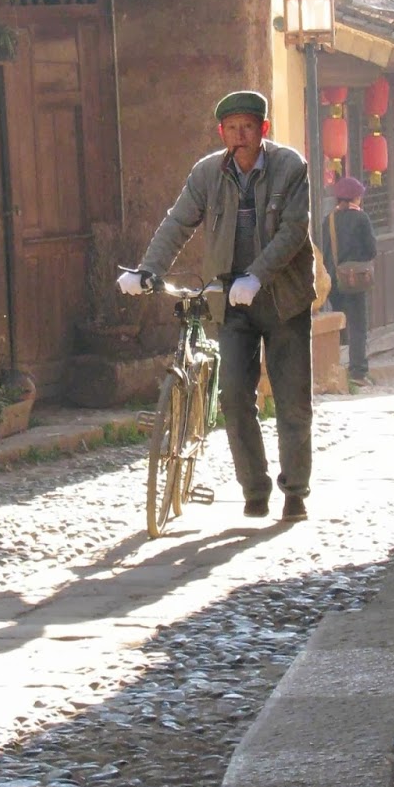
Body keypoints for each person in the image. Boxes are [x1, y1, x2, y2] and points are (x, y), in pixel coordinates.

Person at [117, 90, 315, 522]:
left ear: (263, 130)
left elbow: (294, 231)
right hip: (231, 301)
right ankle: (255, 488)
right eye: (232, 129)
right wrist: (148, 270)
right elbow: (178, 222)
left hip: (284, 299)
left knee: (292, 400)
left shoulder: (290, 167)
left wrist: (257, 275)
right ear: (221, 133)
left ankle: (295, 491)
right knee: (233, 396)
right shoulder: (207, 173)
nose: (240, 136)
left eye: (248, 128)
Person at [321, 174, 377, 388]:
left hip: (334, 280)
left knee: (339, 325)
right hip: (355, 280)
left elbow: (326, 251)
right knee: (358, 326)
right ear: (355, 198)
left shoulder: (329, 220)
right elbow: (371, 250)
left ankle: (334, 369)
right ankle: (357, 372)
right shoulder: (361, 219)